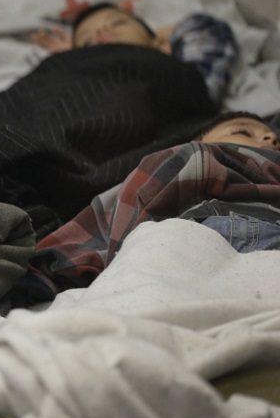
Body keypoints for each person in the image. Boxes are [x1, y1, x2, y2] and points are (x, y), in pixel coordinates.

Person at [17, 110, 280, 304]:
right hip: (214, 234)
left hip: (169, 252)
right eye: (242, 131)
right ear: (204, 141)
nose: (269, 136)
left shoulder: (187, 160)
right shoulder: (200, 155)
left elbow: (83, 242)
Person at [31, 2, 239, 104]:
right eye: (88, 41)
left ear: (159, 41)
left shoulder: (186, 82)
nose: (101, 33)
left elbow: (203, 83)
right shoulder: (69, 75)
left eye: (117, 22)